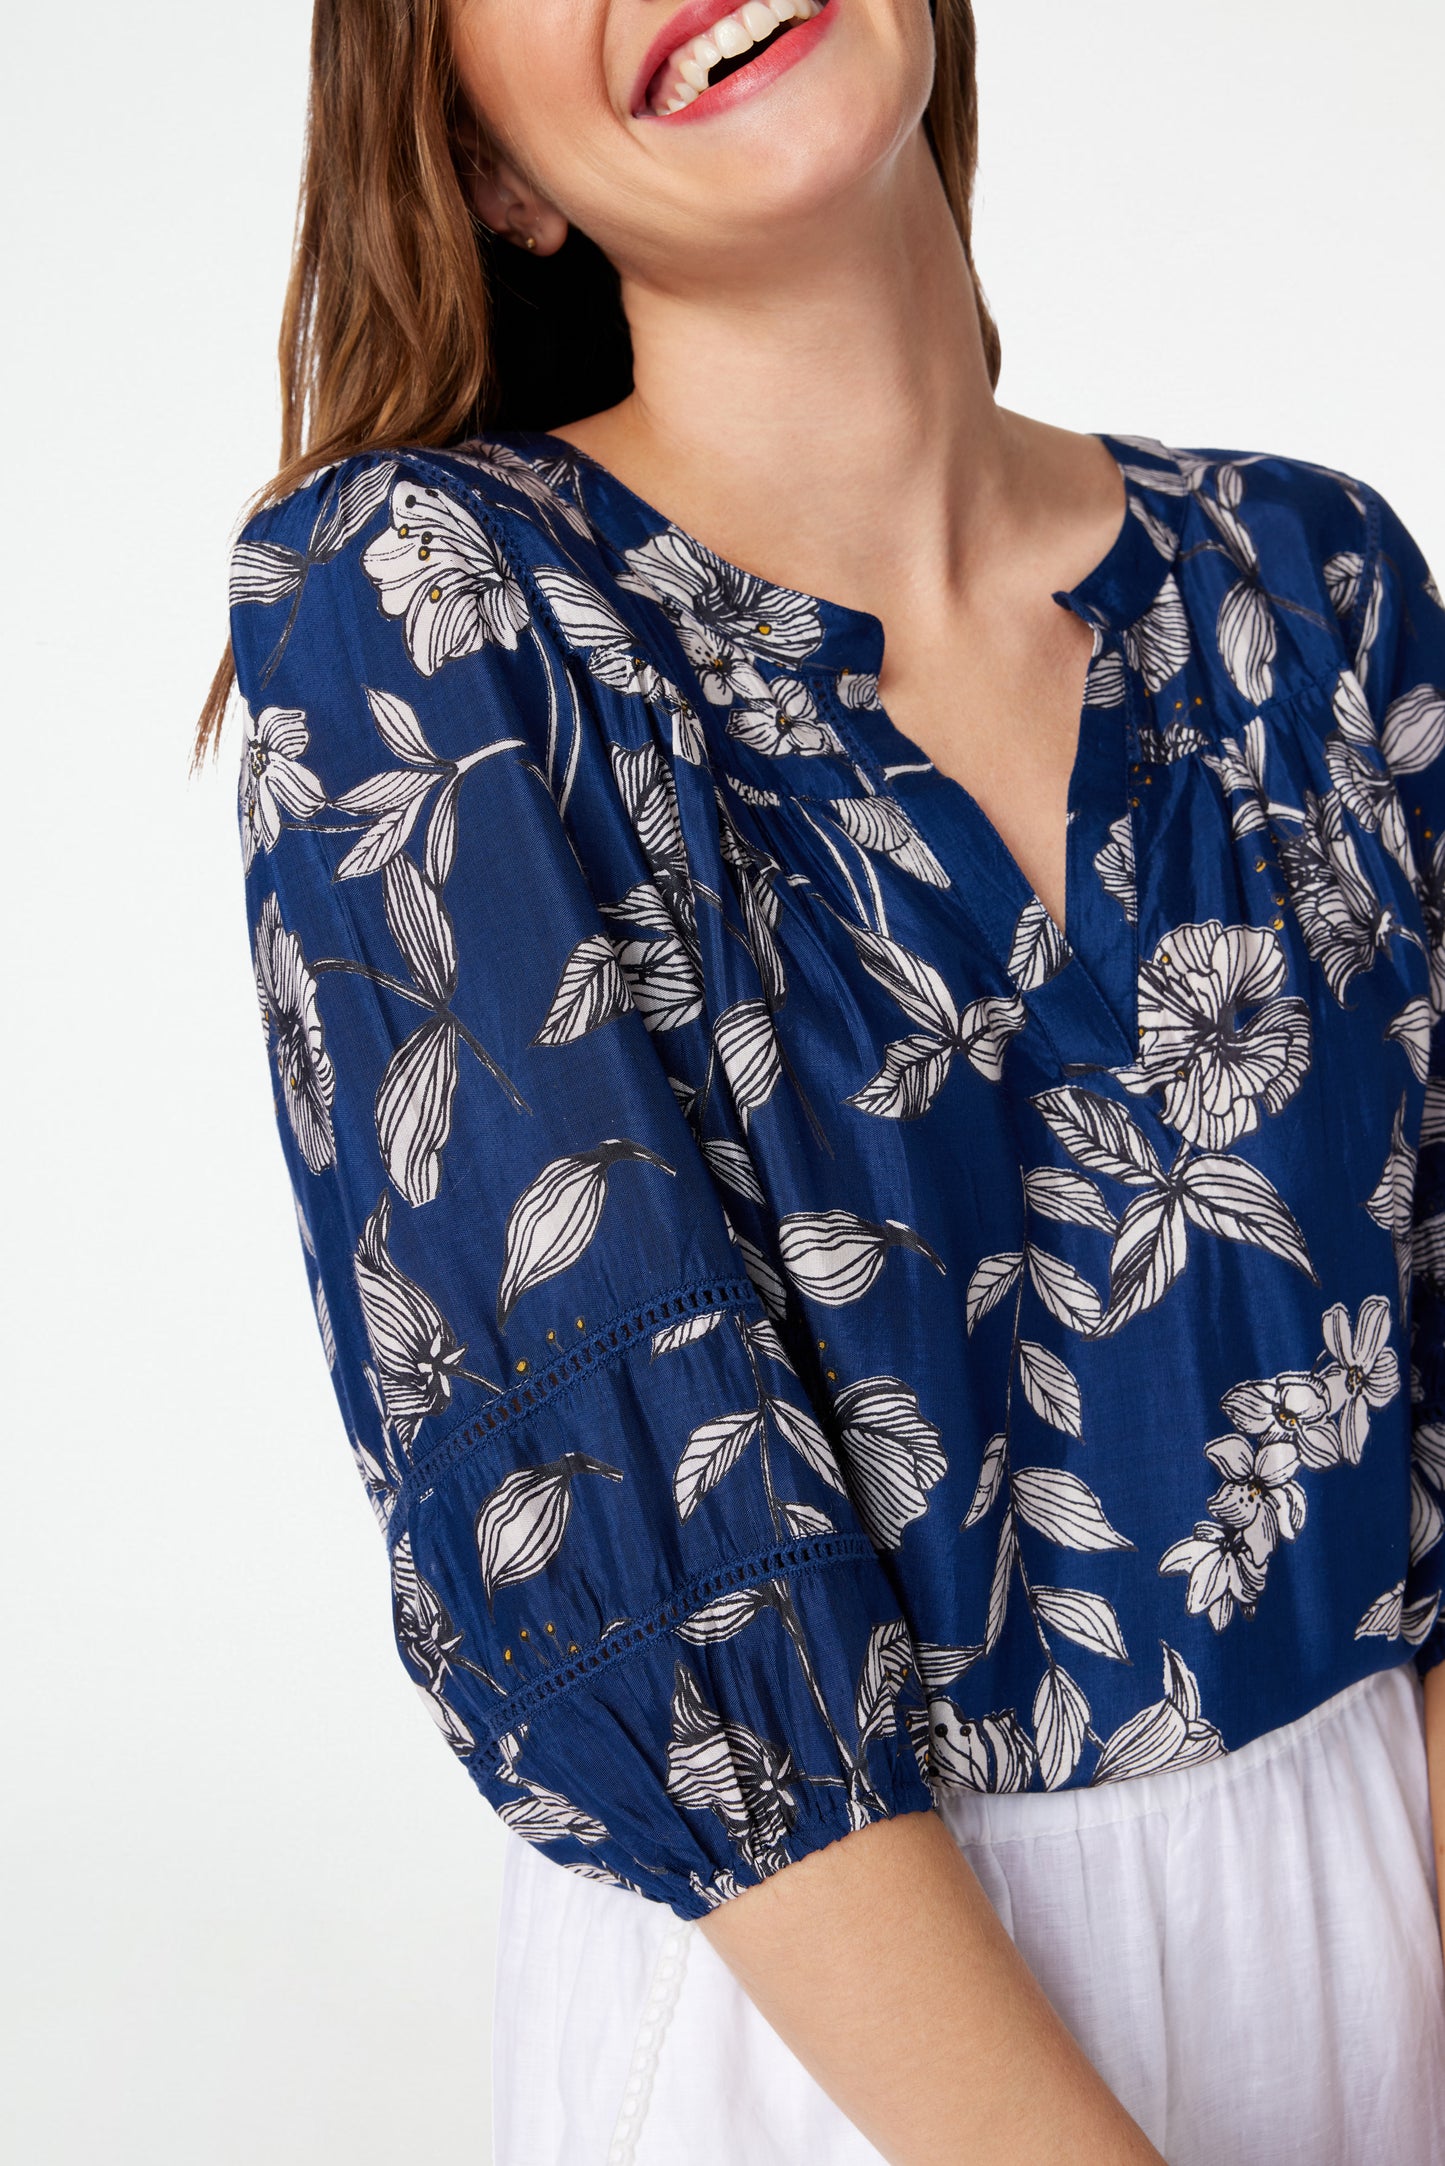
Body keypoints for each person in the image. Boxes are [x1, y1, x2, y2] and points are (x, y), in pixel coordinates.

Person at [199, 0, 1445, 2157]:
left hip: (1381, 1907)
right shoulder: (430, 600)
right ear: (488, 169)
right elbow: (614, 1521)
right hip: (832, 2015)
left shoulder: (1311, 582)